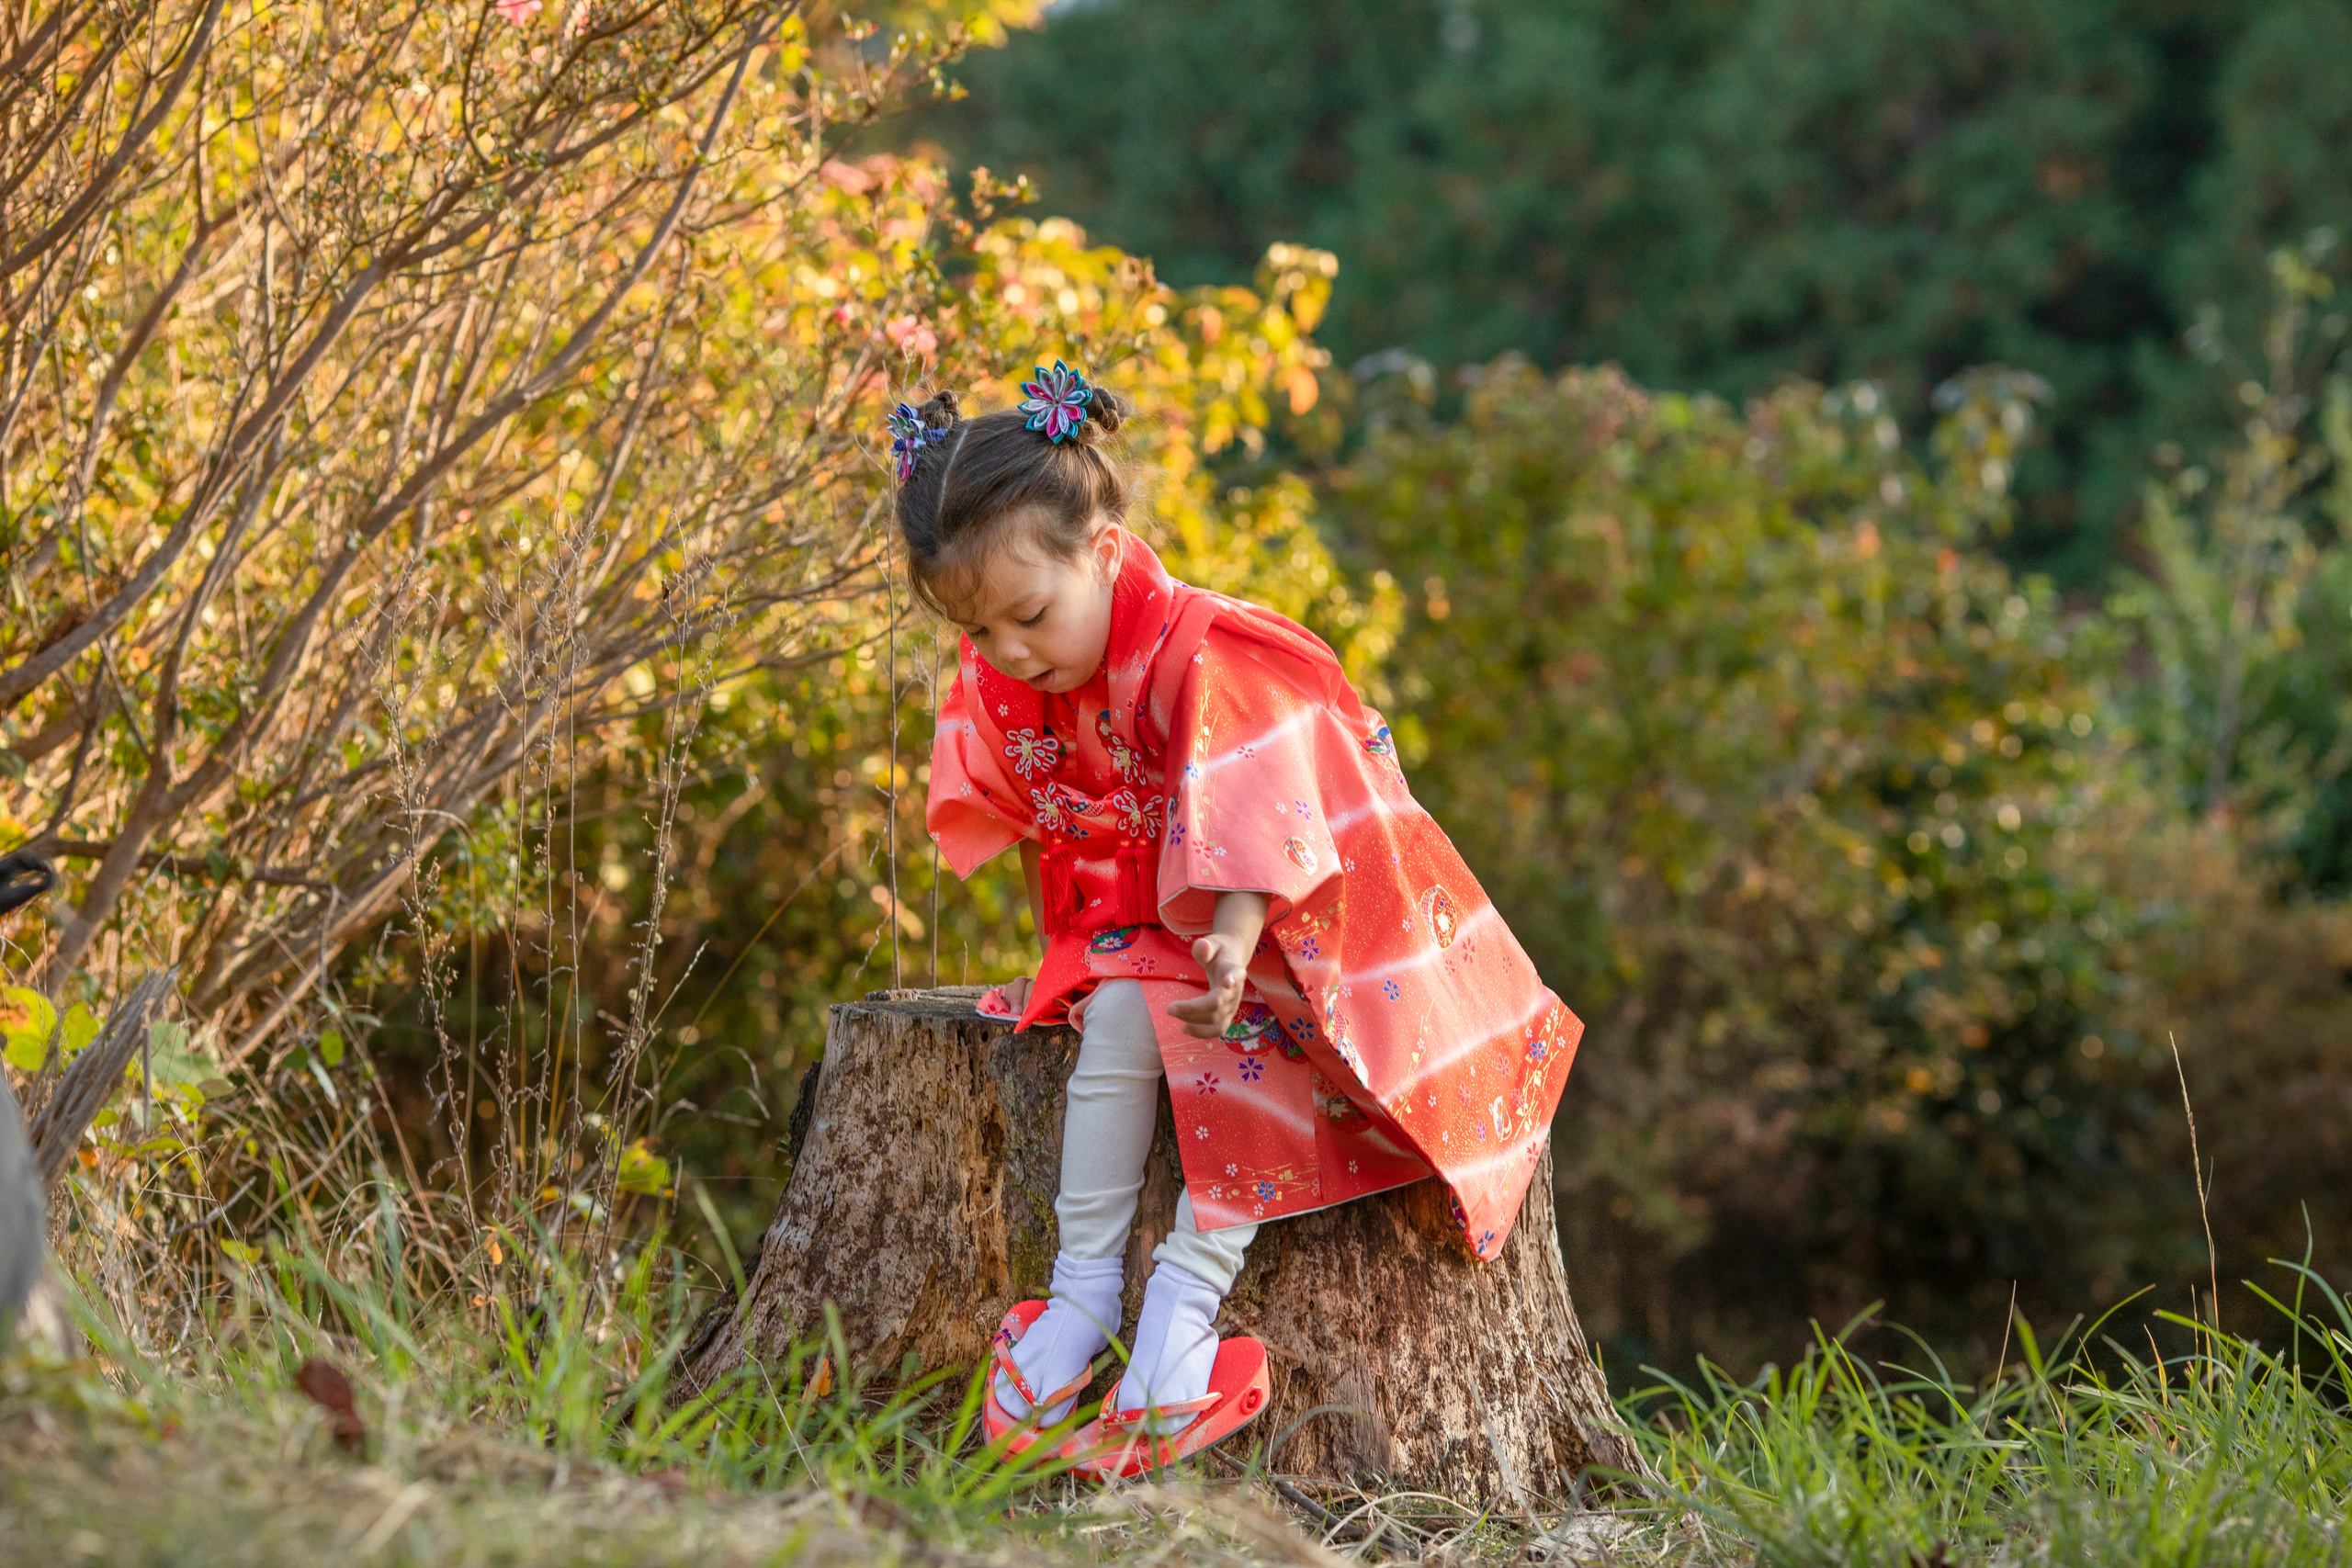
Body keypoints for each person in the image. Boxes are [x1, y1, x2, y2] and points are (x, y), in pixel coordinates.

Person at [900, 362, 1582, 1475]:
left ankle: (1178, 1321)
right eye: (983, 635)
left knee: (1231, 1048)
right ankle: (1077, 1301)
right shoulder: (1046, 671)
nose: (1014, 656)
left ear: (1106, 553)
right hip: (1169, 930)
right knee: (1120, 1026)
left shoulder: (1211, 652)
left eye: (1030, 616)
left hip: (1296, 928)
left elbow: (1263, 797)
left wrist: (1230, 928)